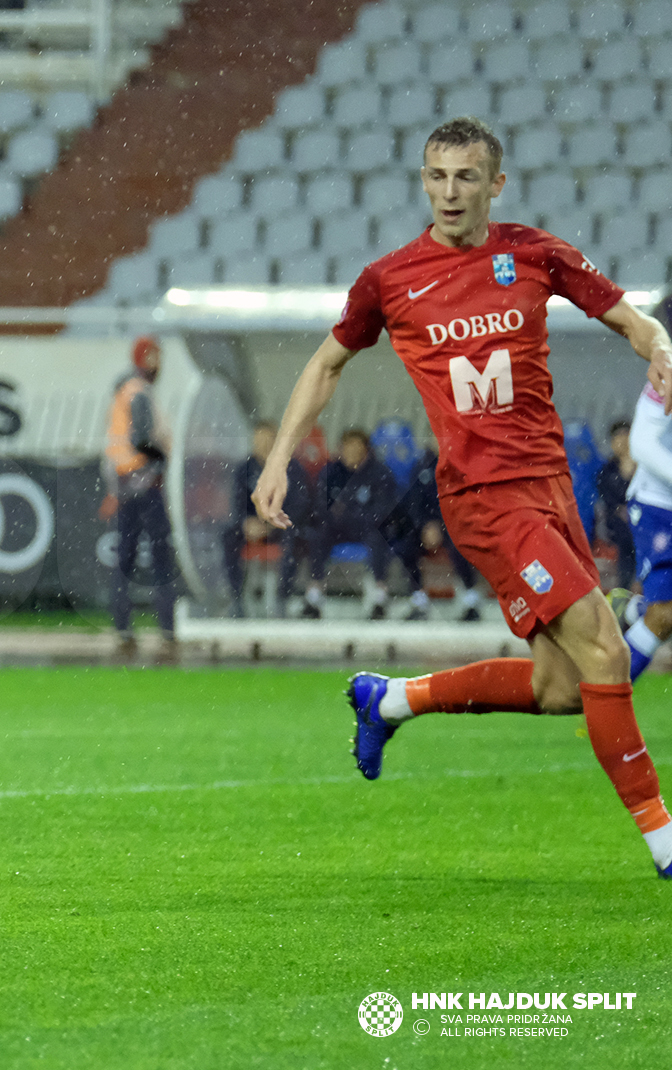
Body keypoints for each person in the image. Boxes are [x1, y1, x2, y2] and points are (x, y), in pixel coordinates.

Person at [251, 116, 672, 878]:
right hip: (484, 497)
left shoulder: (534, 254)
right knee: (608, 646)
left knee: (563, 689)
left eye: (466, 177)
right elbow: (325, 365)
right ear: (423, 181)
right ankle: (665, 844)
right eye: (438, 176)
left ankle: (391, 701)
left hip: (551, 488)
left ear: (494, 185)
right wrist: (280, 455)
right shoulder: (391, 280)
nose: (451, 191)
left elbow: (630, 321)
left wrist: (664, 348)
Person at [104, 336, 178, 656]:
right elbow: (143, 438)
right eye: (152, 357)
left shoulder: (126, 390)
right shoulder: (138, 393)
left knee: (126, 559)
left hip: (125, 484)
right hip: (144, 484)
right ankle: (167, 628)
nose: (156, 363)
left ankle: (123, 627)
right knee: (161, 558)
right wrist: (164, 456)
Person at [302, 428, 399, 620]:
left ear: (366, 449)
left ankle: (379, 596)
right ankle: (314, 595)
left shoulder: (380, 473)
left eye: (356, 447)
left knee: (379, 537)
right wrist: (345, 513)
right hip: (337, 528)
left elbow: (382, 510)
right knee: (317, 535)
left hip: (367, 528)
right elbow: (322, 507)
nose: (351, 452)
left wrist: (348, 512)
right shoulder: (331, 472)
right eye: (347, 448)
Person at [387, 434, 484, 622]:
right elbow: (413, 501)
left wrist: (442, 525)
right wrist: (425, 525)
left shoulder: (464, 466)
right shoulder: (421, 466)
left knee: (460, 546)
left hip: (456, 525)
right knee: (403, 545)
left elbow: (467, 503)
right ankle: (419, 600)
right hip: (426, 526)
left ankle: (471, 601)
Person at [610, 391, 672, 681]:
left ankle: (634, 610)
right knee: (664, 617)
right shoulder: (666, 370)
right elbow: (642, 445)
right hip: (658, 506)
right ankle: (604, 708)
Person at [222, 420, 309, 618]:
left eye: (268, 439)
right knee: (228, 535)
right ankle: (236, 597)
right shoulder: (244, 469)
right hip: (253, 525)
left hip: (281, 525)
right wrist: (246, 522)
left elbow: (299, 505)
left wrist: (272, 523)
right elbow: (237, 503)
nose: (264, 444)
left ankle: (282, 596)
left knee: (294, 538)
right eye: (259, 440)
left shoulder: (292, 468)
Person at [597, 420, 636, 589]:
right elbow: (613, 503)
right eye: (618, 438)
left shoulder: (646, 468)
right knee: (624, 531)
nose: (623, 442)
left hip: (643, 525)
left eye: (626, 436)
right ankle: (625, 588)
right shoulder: (607, 471)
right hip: (619, 532)